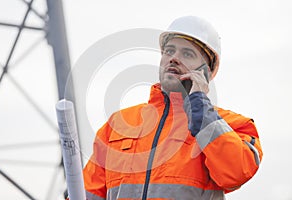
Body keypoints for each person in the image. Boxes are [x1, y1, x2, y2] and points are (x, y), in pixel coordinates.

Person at [82, 16, 263, 200]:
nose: (174, 58)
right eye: (169, 51)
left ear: (206, 72)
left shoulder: (234, 126)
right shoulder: (118, 124)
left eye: (187, 54)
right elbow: (85, 195)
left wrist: (200, 107)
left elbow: (236, 173)